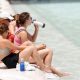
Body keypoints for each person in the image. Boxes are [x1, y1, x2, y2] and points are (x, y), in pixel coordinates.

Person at [14, 12, 70, 77]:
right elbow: (26, 48)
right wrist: (40, 47)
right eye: (30, 18)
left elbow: (32, 39)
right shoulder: (23, 32)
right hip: (23, 57)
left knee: (45, 58)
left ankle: (57, 73)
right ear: (26, 20)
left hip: (23, 55)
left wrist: (36, 29)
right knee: (49, 51)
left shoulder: (21, 29)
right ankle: (49, 72)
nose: (32, 20)